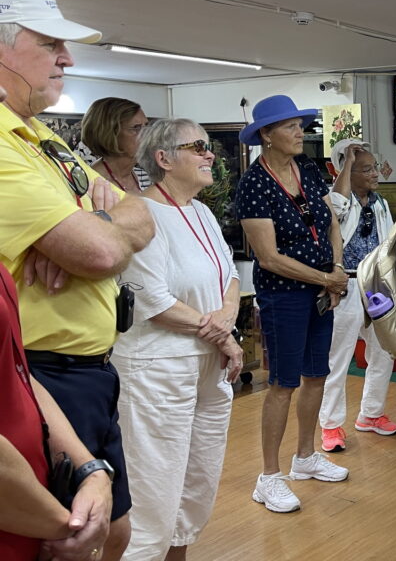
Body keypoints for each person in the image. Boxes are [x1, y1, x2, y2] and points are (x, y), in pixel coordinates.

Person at [0, 0, 156, 559]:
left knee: (113, 531)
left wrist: (92, 218)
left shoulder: (42, 139)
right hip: (43, 374)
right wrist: (97, 230)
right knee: (66, 539)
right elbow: (98, 255)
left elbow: (142, 217)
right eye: (49, 44)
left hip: (91, 371)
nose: (66, 58)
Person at [111, 119, 243, 560]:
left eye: (210, 147)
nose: (211, 155)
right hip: (158, 368)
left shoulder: (201, 211)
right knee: (155, 491)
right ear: (163, 159)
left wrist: (225, 326)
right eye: (198, 147)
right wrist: (224, 335)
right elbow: (154, 301)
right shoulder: (139, 213)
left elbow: (229, 278)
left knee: (195, 487)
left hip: (207, 364)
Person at [236, 95, 350, 513]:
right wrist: (327, 277)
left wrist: (335, 270)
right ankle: (269, 476)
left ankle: (305, 457)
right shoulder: (254, 184)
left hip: (321, 289)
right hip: (283, 295)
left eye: (300, 125)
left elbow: (331, 221)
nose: (300, 132)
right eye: (290, 126)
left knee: (316, 374)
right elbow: (268, 258)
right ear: (266, 135)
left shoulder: (309, 171)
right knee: (283, 384)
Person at [319, 139, 396, 453]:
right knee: (338, 357)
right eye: (366, 169)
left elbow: (390, 242)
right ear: (347, 172)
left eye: (374, 167)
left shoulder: (378, 203)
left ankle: (371, 414)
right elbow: (336, 207)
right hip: (346, 285)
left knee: (384, 351)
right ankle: (331, 425)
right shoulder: (336, 200)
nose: (375, 174)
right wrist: (348, 162)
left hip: (375, 285)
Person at [81, 97, 150, 194]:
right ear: (110, 134)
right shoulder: (92, 183)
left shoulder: (142, 175)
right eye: (136, 128)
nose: (147, 134)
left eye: (146, 126)